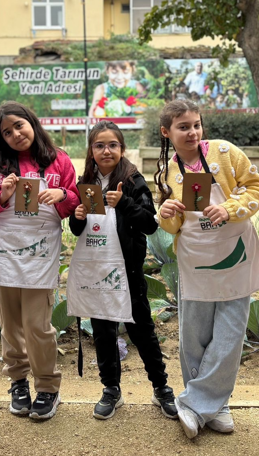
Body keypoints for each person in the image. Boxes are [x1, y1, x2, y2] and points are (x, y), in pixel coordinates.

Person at [155, 99, 259, 439]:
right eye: (183, 126)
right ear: (166, 132)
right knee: (194, 335)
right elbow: (171, 228)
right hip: (195, 259)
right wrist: (167, 213)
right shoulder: (164, 174)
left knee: (230, 335)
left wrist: (229, 208)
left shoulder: (225, 152)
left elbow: (256, 188)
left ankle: (200, 403)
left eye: (196, 124)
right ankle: (213, 403)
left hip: (235, 253)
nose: (192, 132)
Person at [67, 121, 177, 421]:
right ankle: (111, 389)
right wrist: (76, 218)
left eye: (112, 145)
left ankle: (161, 388)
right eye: (100, 145)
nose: (106, 150)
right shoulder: (86, 180)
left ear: (122, 149)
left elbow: (150, 223)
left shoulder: (132, 179)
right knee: (103, 333)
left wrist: (124, 202)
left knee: (142, 330)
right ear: (91, 150)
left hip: (127, 272)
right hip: (96, 270)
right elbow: (79, 230)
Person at [0, 101, 80, 420]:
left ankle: (48, 387)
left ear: (32, 123)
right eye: (6, 132)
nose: (15, 134)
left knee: (38, 327)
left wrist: (63, 196)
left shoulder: (58, 160)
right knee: (10, 327)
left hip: (40, 257)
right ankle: (19, 383)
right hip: (6, 257)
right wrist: (4, 195)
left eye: (18, 125)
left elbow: (75, 203)